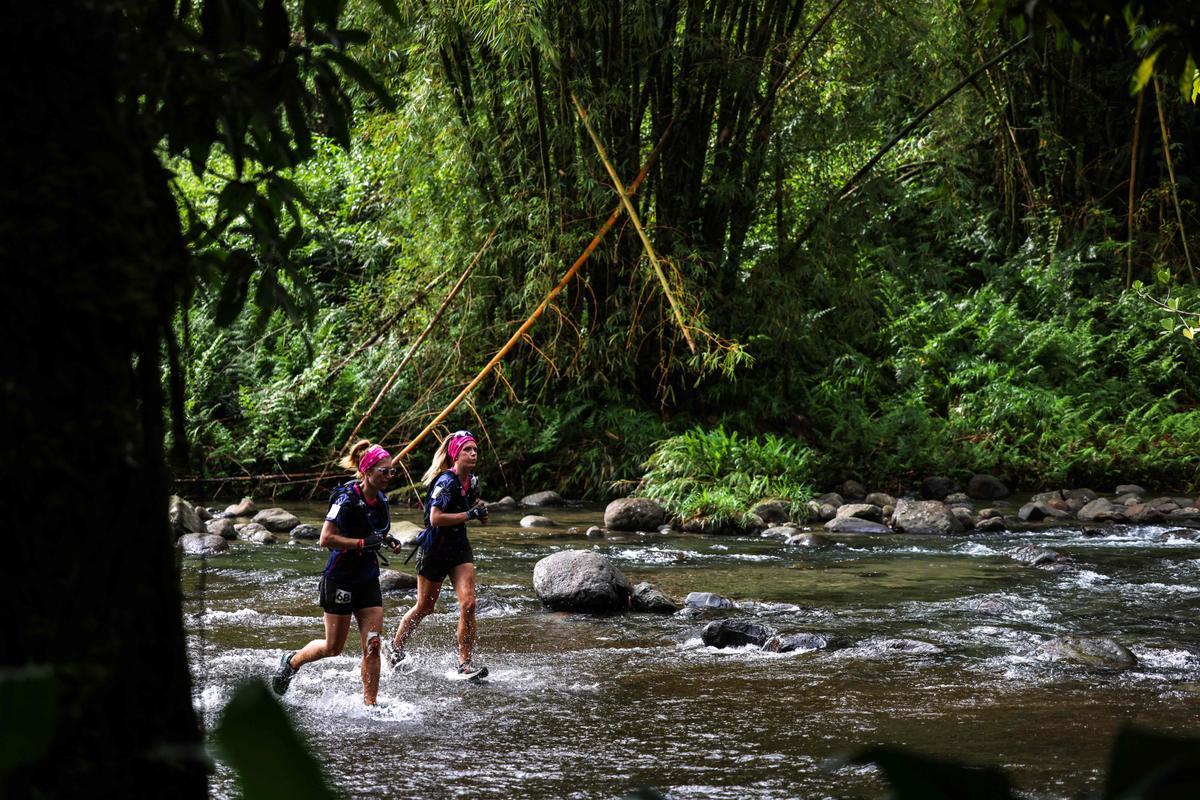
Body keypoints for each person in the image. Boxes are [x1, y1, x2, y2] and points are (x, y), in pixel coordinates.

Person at [272, 439, 402, 705]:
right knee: (334, 648)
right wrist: (362, 544)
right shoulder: (344, 499)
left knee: (373, 646)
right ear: (367, 472)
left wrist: (386, 539)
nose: (390, 476)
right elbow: (325, 538)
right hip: (340, 579)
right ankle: (292, 661)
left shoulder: (381, 500)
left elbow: (374, 529)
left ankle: (370, 705)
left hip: (368, 579)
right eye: (384, 471)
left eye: (392, 471)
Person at [387, 429, 490, 679]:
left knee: (468, 604)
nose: (473, 453)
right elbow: (435, 518)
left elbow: (474, 508)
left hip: (459, 549)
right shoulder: (445, 482)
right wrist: (469, 515)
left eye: (475, 449)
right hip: (434, 550)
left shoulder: (472, 481)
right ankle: (396, 648)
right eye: (467, 449)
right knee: (425, 607)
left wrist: (480, 512)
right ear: (456, 454)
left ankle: (464, 663)